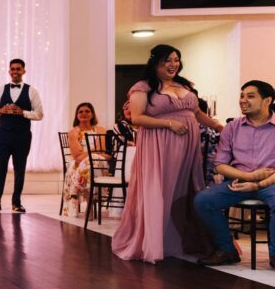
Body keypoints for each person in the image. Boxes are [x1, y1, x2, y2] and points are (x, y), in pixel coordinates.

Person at [111, 44, 224, 263]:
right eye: (167, 61)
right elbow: (136, 118)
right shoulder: (142, 87)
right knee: (161, 189)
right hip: (159, 145)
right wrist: (169, 124)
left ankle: (187, 239)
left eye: (176, 60)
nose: (173, 65)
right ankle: (157, 242)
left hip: (188, 147)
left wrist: (220, 128)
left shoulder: (184, 85)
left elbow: (197, 113)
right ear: (155, 63)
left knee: (188, 188)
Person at [194, 80, 275, 267]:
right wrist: (248, 177)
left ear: (267, 100)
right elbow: (220, 164)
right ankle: (227, 250)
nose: (243, 100)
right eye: (242, 95)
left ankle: (274, 255)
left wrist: (258, 184)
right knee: (203, 200)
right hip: (238, 182)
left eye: (250, 96)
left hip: (271, 183)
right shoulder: (233, 127)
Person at [0, 59, 44, 213]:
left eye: (18, 69)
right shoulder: (0, 90)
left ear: (24, 71)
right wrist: (1, 111)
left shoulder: (31, 91)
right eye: (13, 69)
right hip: (3, 135)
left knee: (19, 169)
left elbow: (40, 114)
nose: (15, 72)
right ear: (9, 72)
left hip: (22, 136)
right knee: (0, 167)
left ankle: (17, 202)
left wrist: (23, 113)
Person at [62, 102, 108, 217]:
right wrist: (93, 153)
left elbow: (103, 151)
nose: (84, 114)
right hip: (79, 164)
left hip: (98, 161)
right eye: (80, 112)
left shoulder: (101, 130)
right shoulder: (73, 132)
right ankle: (90, 204)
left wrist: (88, 154)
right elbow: (77, 156)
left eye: (87, 111)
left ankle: (90, 203)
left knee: (91, 163)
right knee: (87, 165)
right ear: (77, 116)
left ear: (92, 114)